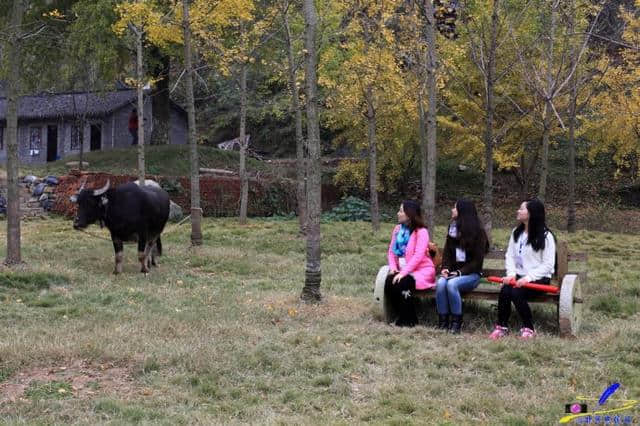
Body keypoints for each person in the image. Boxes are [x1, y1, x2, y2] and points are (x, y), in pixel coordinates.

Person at [489, 199, 556, 340]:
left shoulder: (546, 236)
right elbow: (510, 256)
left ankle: (529, 328)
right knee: (506, 290)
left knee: (516, 292)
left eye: (521, 209)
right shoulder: (516, 232)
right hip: (518, 278)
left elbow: (548, 265)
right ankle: (502, 326)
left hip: (538, 280)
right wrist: (512, 275)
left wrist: (527, 278)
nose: (518, 211)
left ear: (532, 213)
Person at [436, 199, 489, 334]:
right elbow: (447, 252)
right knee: (441, 283)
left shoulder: (479, 233)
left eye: (455, 208)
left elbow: (477, 262)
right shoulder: (452, 228)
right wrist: (446, 268)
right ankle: (443, 322)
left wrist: (459, 272)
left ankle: (456, 323)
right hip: (453, 273)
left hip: (472, 275)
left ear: (462, 212)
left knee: (451, 284)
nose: (452, 210)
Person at [384, 200, 436, 327]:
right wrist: (393, 268)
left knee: (403, 282)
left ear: (409, 214)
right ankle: (407, 316)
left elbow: (418, 256)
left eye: (401, 211)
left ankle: (406, 320)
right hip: (403, 270)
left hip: (421, 270)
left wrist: (403, 273)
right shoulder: (397, 229)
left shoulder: (421, 232)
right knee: (389, 282)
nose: (398, 213)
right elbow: (391, 252)